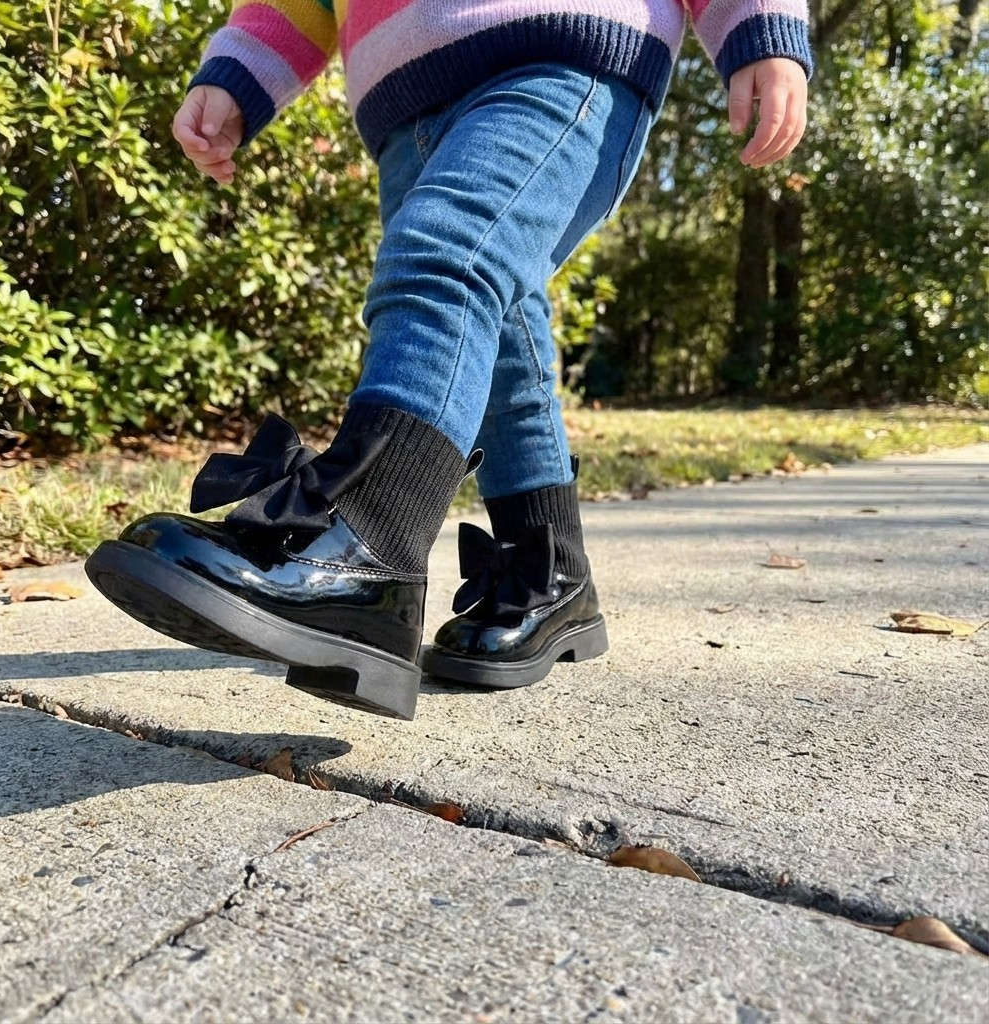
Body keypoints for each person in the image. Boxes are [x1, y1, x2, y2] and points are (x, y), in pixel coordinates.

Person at [86, 2, 812, 721]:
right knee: (495, 332)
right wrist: (238, 73)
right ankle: (550, 570)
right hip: (403, 111)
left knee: (444, 263)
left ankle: (372, 548)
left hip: (562, 51)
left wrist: (762, 24)